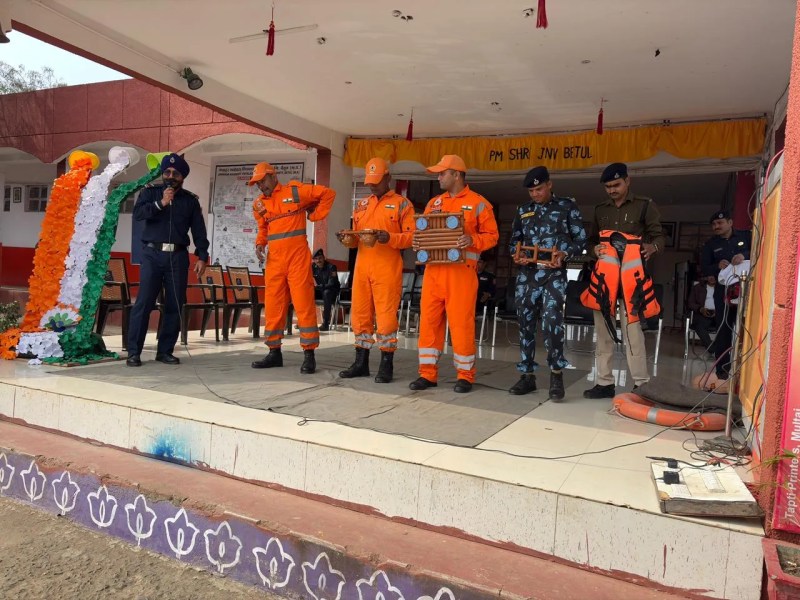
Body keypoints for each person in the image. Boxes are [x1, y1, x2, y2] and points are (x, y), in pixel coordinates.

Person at [410, 155, 499, 393]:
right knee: (429, 323)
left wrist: (472, 240)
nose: (438, 177)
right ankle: (427, 374)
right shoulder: (433, 203)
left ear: (456, 175)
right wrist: (418, 242)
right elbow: (422, 233)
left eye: (442, 173)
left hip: (461, 275)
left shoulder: (479, 203)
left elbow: (492, 236)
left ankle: (465, 376)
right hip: (433, 273)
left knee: (461, 325)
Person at [582, 162, 665, 398]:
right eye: (607, 187)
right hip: (605, 281)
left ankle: (641, 384)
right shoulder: (600, 209)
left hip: (632, 282)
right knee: (603, 333)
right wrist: (593, 250)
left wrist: (653, 247)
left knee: (634, 334)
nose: (612, 190)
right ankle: (604, 383)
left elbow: (659, 236)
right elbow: (591, 240)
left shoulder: (644, 205)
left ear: (627, 181)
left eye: (616, 185)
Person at [248, 162, 336, 373]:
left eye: (263, 181)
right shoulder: (259, 204)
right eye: (257, 183)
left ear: (273, 176)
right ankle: (274, 352)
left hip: (297, 258)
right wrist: (260, 243)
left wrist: (314, 216)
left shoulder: (295, 192)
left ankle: (309, 354)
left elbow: (328, 194)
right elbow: (263, 228)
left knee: (304, 305)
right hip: (274, 261)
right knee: (273, 306)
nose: (261, 186)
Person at [508, 166, 586, 400]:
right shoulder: (523, 210)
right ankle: (527, 376)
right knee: (525, 323)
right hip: (527, 276)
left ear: (549, 185)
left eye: (539, 189)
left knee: (552, 322)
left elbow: (581, 240)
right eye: (531, 191)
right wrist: (516, 254)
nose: (535, 194)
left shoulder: (567, 206)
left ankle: (556, 374)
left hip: (554, 275)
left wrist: (565, 253)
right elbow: (514, 241)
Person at [126, 153, 209, 367]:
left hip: (178, 257)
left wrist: (202, 255)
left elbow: (198, 230)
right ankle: (134, 352)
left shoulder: (190, 201)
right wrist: (161, 203)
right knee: (144, 303)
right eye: (167, 172)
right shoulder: (150, 193)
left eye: (175, 173)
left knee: (174, 304)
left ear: (182, 177)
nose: (170, 176)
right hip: (152, 255)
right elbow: (139, 214)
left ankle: (165, 351)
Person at [337, 157, 414, 383]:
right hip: (362, 267)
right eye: (370, 182)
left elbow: (412, 237)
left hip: (387, 268)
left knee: (386, 317)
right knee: (360, 315)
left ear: (388, 177)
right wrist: (347, 238)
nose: (372, 186)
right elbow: (356, 238)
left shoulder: (402, 204)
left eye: (377, 181)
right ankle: (360, 362)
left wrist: (390, 238)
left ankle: (386, 364)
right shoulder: (362, 205)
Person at [700, 210, 751, 381]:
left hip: (746, 288)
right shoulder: (710, 245)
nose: (716, 226)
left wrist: (743, 255)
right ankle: (722, 371)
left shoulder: (746, 236)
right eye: (714, 224)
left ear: (730, 222)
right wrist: (717, 266)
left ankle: (744, 370)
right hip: (723, 291)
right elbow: (704, 267)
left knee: (746, 326)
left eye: (720, 223)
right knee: (724, 328)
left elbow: (760, 251)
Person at [687, 274, 718, 352]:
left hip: (718, 315)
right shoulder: (698, 287)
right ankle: (712, 349)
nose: (712, 278)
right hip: (703, 314)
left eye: (714, 276)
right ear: (706, 277)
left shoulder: (722, 288)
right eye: (709, 276)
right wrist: (700, 309)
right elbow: (690, 303)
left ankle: (719, 350)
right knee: (699, 326)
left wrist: (718, 311)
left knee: (726, 327)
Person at [312, 249, 340, 331]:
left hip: (332, 292)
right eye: (316, 259)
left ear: (324, 258)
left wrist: (319, 286)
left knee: (326, 293)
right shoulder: (313, 267)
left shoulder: (331, 267)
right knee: (307, 292)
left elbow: (331, 284)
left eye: (320, 258)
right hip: (321, 290)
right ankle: (304, 321)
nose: (318, 261)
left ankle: (326, 323)